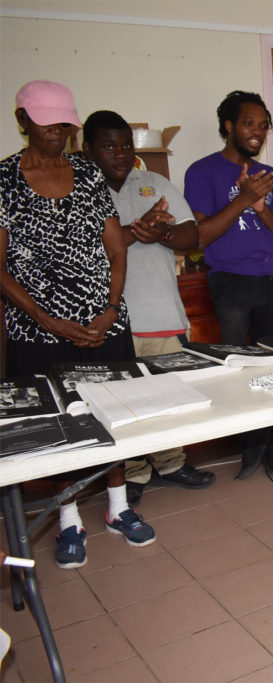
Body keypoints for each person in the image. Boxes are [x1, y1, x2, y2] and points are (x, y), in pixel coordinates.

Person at [1, 80, 155, 568]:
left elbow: (116, 247)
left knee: (114, 413)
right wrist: (49, 320)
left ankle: (118, 507)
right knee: (57, 425)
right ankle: (68, 520)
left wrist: (110, 308)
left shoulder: (87, 172)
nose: (57, 132)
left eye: (64, 124)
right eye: (47, 123)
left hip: (102, 321)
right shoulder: (3, 180)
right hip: (37, 329)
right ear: (23, 120)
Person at [81, 110, 216, 505]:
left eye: (126, 145)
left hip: (160, 312)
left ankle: (172, 464)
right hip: (108, 321)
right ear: (88, 149)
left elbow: (191, 234)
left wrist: (161, 232)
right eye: (109, 146)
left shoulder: (154, 183)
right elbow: (82, 249)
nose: (120, 154)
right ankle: (132, 472)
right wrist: (134, 232)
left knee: (168, 395)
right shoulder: (77, 191)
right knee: (122, 402)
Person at [184, 90, 273, 480]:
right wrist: (244, 198)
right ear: (229, 126)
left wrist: (261, 207)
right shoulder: (201, 171)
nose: (257, 132)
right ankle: (250, 446)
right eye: (249, 123)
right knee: (238, 367)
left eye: (263, 125)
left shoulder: (269, 175)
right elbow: (201, 236)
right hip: (229, 278)